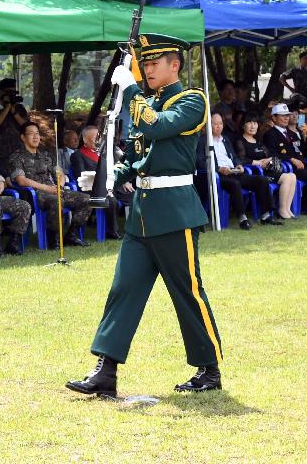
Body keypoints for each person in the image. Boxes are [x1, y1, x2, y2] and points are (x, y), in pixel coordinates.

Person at [66, 33, 224, 398]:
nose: (148, 69)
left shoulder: (192, 100)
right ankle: (106, 371)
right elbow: (141, 156)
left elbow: (157, 126)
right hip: (142, 212)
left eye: (154, 63)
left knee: (187, 292)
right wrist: (107, 178)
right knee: (124, 289)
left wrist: (133, 90)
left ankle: (209, 368)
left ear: (175, 65)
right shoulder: (147, 101)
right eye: (144, 64)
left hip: (174, 210)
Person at [8, 121, 90, 248]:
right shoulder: (17, 157)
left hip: (54, 189)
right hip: (35, 194)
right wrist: (48, 189)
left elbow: (60, 173)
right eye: (31, 134)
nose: (35, 137)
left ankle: (71, 235)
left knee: (86, 199)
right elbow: (21, 180)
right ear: (23, 137)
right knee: (57, 201)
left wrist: (60, 186)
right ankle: (53, 239)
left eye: (37, 133)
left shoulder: (45, 155)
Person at [196, 113, 282, 229]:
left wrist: (239, 165)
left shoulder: (225, 139)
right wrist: (218, 169)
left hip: (233, 172)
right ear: (208, 125)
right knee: (235, 184)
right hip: (219, 175)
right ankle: (242, 218)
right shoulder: (202, 140)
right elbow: (200, 161)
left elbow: (235, 156)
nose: (218, 126)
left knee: (261, 180)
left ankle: (266, 216)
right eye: (215, 124)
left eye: (220, 123)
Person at [234, 113, 297, 220]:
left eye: (255, 123)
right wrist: (257, 163)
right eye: (249, 123)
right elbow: (241, 160)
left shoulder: (258, 142)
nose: (253, 126)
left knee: (292, 176)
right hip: (255, 173)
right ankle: (281, 210)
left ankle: (287, 209)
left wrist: (268, 160)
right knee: (286, 178)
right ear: (243, 126)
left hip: (267, 170)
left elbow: (270, 155)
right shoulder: (240, 142)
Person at [70, 125, 126, 239]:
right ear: (85, 140)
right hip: (94, 188)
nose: (99, 140)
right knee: (111, 199)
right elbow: (80, 175)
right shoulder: (78, 155)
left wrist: (124, 180)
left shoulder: (107, 152)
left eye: (100, 137)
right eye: (95, 137)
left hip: (114, 186)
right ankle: (112, 231)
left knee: (136, 196)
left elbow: (119, 167)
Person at [0, 78, 29, 176]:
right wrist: (6, 107)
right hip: (2, 153)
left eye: (13, 92)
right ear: (1, 92)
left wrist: (14, 112)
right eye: (8, 92)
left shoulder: (19, 108)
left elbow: (26, 126)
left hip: (19, 150)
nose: (12, 94)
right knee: (6, 180)